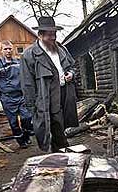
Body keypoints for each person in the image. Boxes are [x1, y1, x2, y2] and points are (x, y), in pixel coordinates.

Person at [20, 16, 79, 153]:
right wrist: (32, 107)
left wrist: (71, 74)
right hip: (47, 96)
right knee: (54, 124)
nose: (53, 38)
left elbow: (73, 67)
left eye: (54, 35)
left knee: (62, 123)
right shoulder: (29, 55)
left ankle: (58, 148)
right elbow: (27, 83)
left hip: (65, 92)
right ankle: (60, 151)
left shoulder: (61, 49)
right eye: (49, 35)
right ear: (40, 35)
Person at [0, 40, 33, 148]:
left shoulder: (18, 62)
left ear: (12, 49)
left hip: (21, 96)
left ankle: (26, 136)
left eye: (10, 48)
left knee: (26, 117)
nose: (8, 51)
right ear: (1, 50)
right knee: (13, 123)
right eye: (5, 49)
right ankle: (21, 142)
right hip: (7, 98)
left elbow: (26, 77)